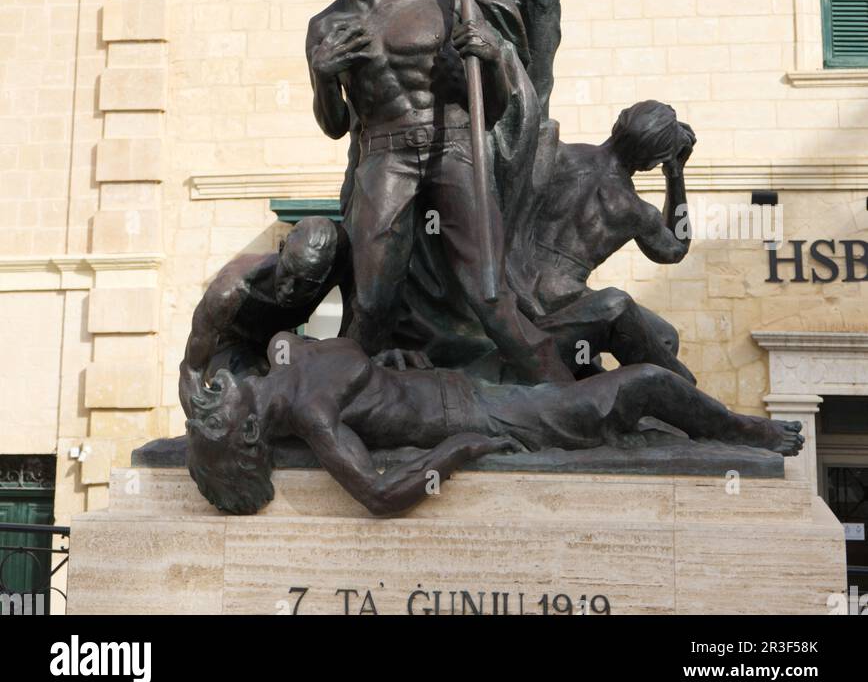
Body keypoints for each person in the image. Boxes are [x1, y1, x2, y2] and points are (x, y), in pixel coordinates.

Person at [296, 0, 573, 384]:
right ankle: (344, 401)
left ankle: (566, 395)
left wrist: (487, 59)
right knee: (375, 298)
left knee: (488, 293)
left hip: (454, 144)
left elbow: (493, 107)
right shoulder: (325, 27)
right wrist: (322, 76)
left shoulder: (441, 0)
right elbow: (336, 125)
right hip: (384, 152)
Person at [185, 330, 804, 517]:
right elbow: (377, 495)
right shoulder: (315, 418)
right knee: (642, 381)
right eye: (217, 403)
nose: (217, 386)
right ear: (245, 432)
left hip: (469, 378)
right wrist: (457, 449)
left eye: (210, 391)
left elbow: (348, 354)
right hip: (485, 412)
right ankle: (746, 432)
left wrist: (383, 362)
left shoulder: (282, 349)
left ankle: (688, 427)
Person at [525, 101, 698, 381]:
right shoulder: (633, 209)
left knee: (588, 357)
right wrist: (675, 175)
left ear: (618, 124)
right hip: (564, 295)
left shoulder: (560, 154)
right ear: (653, 162)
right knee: (664, 338)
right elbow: (675, 249)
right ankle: (629, 401)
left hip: (522, 276)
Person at [178, 216, 351, 417]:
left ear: (328, 275)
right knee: (257, 398)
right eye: (286, 273)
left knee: (317, 385)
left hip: (280, 343)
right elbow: (191, 370)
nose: (289, 290)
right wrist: (200, 430)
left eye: (305, 284)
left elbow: (357, 314)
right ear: (281, 248)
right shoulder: (228, 292)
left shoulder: (337, 267)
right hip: (230, 349)